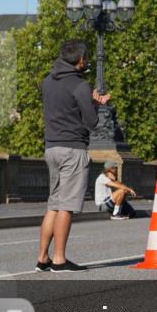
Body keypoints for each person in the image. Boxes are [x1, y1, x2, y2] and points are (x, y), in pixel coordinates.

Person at [36, 40, 108, 273]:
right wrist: (98, 104)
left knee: (54, 205)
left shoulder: (48, 81)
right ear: (80, 61)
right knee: (66, 206)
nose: (87, 62)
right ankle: (59, 260)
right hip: (73, 149)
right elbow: (91, 123)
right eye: (86, 59)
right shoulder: (80, 85)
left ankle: (42, 258)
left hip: (51, 148)